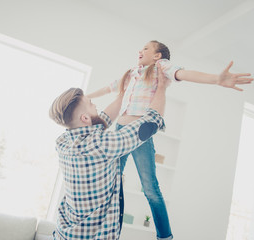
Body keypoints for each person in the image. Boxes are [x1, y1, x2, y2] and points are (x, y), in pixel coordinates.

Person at [86, 40, 254, 240]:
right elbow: (108, 88)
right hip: (120, 130)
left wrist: (216, 79)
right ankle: (101, 231)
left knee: (150, 188)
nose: (140, 50)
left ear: (158, 56)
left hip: (140, 132)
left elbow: (184, 73)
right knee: (110, 183)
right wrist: (84, 97)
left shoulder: (160, 67)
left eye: (146, 48)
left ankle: (164, 236)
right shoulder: (131, 73)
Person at [49, 64, 170, 240]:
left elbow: (101, 120)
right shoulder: (102, 145)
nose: (95, 104)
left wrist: (126, 92)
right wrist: (161, 88)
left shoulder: (63, 142)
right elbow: (150, 122)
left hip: (63, 234)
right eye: (91, 104)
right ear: (84, 118)